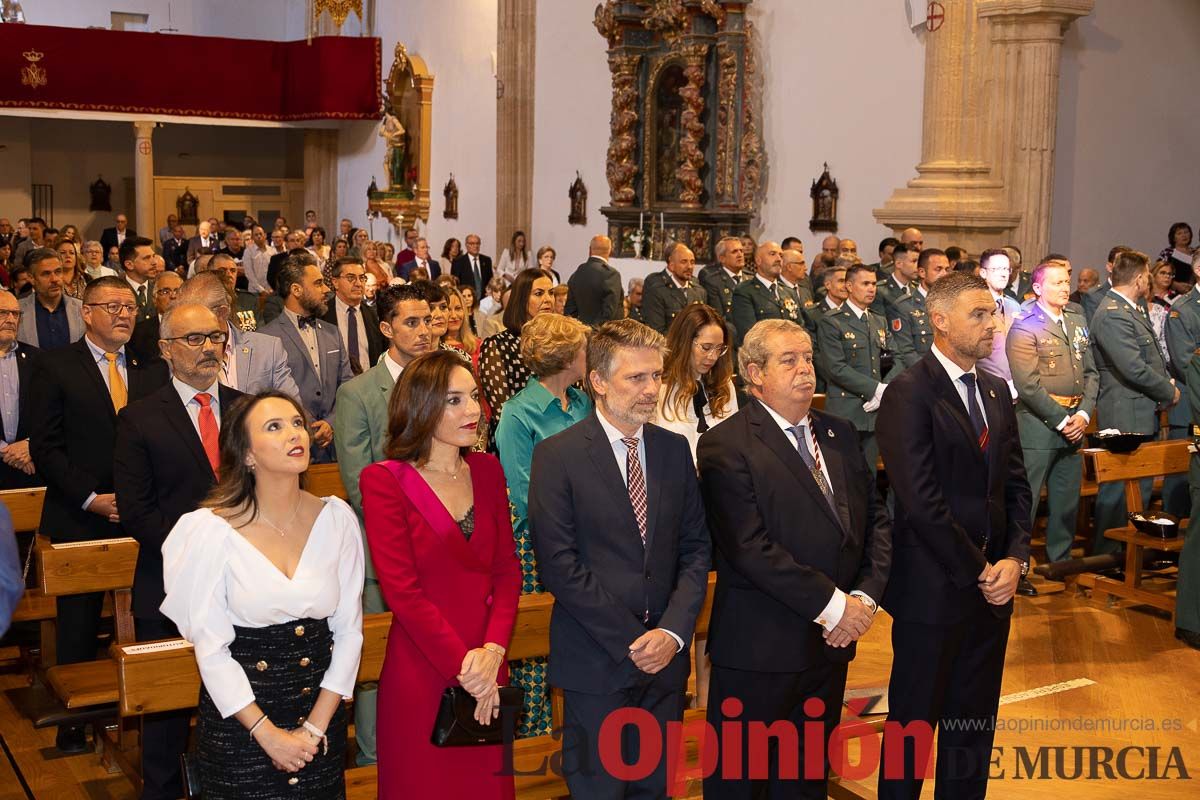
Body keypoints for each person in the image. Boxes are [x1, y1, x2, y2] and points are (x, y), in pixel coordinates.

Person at [698, 319, 890, 798]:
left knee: (805, 784)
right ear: (754, 374)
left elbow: (877, 524)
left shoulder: (840, 434)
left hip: (830, 647)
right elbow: (750, 547)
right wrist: (836, 608)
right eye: (790, 360)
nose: (806, 369)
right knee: (743, 784)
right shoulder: (726, 444)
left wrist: (863, 599)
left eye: (807, 358)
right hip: (760, 650)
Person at [528, 319, 711, 798]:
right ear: (599, 382)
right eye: (637, 378)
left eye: (657, 376)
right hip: (597, 660)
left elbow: (695, 549)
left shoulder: (674, 450)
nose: (652, 389)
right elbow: (559, 565)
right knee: (599, 791)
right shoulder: (557, 456)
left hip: (666, 661)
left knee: (655, 790)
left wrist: (671, 634)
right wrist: (635, 641)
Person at [161, 391, 364, 799]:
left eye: (296, 423)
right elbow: (212, 649)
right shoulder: (209, 531)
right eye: (274, 427)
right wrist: (266, 734)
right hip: (242, 727)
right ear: (248, 455)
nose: (295, 434)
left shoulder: (336, 519)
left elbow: (349, 632)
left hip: (319, 724)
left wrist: (314, 727)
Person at [876, 271, 1032, 800]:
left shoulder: (994, 389)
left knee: (972, 731)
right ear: (939, 321)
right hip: (933, 590)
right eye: (979, 315)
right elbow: (921, 502)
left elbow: (1016, 486)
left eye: (993, 313)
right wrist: (979, 570)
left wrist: (1015, 560)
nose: (993, 325)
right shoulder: (908, 393)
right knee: (911, 730)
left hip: (992, 594)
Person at [359, 351, 522, 798]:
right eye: (455, 400)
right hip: (424, 667)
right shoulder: (384, 480)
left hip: (489, 663)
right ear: (421, 405)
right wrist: (465, 667)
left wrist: (492, 651)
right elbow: (402, 592)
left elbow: (508, 571)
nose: (473, 410)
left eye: (474, 396)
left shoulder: (488, 470)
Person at [29, 276, 169, 753]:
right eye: (112, 306)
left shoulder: (151, 369)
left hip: (140, 513)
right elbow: (46, 447)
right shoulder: (55, 366)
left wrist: (136, 498)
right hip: (79, 512)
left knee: (149, 610)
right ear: (86, 312)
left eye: (129, 306)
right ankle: (75, 722)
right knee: (79, 621)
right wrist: (91, 497)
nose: (123, 314)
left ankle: (148, 705)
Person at [113, 303, 244, 800]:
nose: (209, 346)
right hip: (169, 587)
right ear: (166, 350)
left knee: (236, 708)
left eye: (215, 336)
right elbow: (139, 512)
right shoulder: (140, 419)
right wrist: (202, 555)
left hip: (243, 585)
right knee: (166, 724)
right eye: (194, 339)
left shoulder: (246, 408)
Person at [334, 284, 432, 766]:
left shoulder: (444, 383)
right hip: (383, 549)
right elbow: (359, 483)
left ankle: (424, 747)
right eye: (411, 323)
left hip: (439, 548)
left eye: (428, 320)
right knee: (378, 659)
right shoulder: (357, 392)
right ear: (387, 329)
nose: (423, 331)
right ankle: (373, 759)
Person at [494, 313, 592, 738]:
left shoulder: (584, 402)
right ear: (568, 356)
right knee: (539, 650)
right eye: (584, 349)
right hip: (540, 545)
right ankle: (533, 739)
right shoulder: (518, 413)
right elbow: (522, 492)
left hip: (591, 539)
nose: (589, 355)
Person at [1007, 261, 1097, 569]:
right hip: (1039, 425)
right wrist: (1061, 420)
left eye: (1066, 282)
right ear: (1037, 288)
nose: (1064, 288)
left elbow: (1092, 372)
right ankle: (1018, 566)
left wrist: (1084, 414)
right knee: (1027, 501)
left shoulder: (1076, 317)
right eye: (1057, 283)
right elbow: (1027, 385)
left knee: (1066, 501)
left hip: (1076, 420)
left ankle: (1060, 563)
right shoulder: (1025, 323)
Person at [1090, 250, 1179, 555]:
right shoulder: (1113, 312)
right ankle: (1106, 556)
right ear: (1140, 277)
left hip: (1139, 409)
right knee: (1118, 491)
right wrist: (1169, 391)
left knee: (1136, 489)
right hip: (1125, 411)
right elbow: (1132, 367)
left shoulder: (1131, 308)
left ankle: (1126, 557)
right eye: (1148, 275)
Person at [259, 253, 352, 463]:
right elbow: (268, 395)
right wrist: (304, 424)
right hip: (289, 448)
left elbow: (347, 385)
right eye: (318, 283)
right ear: (296, 289)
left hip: (335, 448)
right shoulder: (265, 337)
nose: (327, 290)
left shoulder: (332, 333)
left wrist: (331, 422)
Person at [818, 264, 897, 476]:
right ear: (850, 286)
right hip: (847, 410)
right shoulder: (832, 321)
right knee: (845, 475)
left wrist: (884, 389)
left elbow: (892, 358)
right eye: (865, 284)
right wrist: (875, 389)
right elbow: (836, 367)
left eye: (873, 284)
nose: (872, 288)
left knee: (869, 476)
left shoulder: (878, 320)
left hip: (875, 412)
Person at [175, 272, 300, 399]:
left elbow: (291, 405)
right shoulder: (180, 351)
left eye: (196, 317)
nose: (188, 325)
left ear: (222, 312)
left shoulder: (268, 349)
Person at [478, 269, 555, 448]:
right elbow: (502, 412)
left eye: (551, 293)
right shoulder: (497, 345)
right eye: (539, 293)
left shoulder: (561, 345)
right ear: (522, 299)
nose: (548, 299)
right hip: (515, 444)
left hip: (561, 443)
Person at [656, 303, 738, 458]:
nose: (713, 357)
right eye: (706, 348)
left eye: (719, 348)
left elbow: (734, 443)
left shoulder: (724, 385)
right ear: (683, 342)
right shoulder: (659, 386)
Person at [0, 291, 40, 489]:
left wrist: (30, 443)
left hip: (30, 465)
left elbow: (51, 411)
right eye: (3, 313)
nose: (10, 319)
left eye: (15, 314)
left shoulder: (37, 359)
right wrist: (6, 451)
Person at [891, 248, 952, 371]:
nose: (944, 274)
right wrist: (935, 373)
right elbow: (906, 352)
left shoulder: (953, 304)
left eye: (947, 269)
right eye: (938, 269)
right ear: (922, 272)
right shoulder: (904, 306)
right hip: (921, 376)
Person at [322, 256, 385, 376]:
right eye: (351, 278)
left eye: (362, 278)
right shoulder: (322, 314)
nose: (358, 284)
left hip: (368, 384)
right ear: (335, 282)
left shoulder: (372, 315)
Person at [17, 248, 84, 348]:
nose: (54, 279)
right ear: (31, 278)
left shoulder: (82, 309)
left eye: (58, 272)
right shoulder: (17, 310)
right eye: (46, 274)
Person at [978, 248, 1022, 398]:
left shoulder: (1014, 306)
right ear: (983, 272)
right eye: (997, 269)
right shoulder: (975, 307)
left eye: (1006, 269)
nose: (1003, 274)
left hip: (1014, 386)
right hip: (985, 386)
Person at [640, 241, 707, 334]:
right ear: (671, 266)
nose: (690, 267)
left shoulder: (699, 291)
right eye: (684, 262)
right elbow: (656, 331)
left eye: (692, 262)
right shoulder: (657, 288)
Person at [731, 241, 785, 346]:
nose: (779, 259)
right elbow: (750, 334)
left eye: (781, 255)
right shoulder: (745, 291)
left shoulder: (788, 292)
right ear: (758, 261)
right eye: (772, 254)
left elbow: (800, 326)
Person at [564, 235, 623, 326]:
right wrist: (593, 331)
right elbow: (609, 312)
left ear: (590, 250)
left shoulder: (577, 273)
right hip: (602, 335)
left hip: (579, 334)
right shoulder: (611, 274)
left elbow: (570, 311)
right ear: (610, 251)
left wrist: (579, 332)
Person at [698, 236, 744, 322]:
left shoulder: (750, 278)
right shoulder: (713, 280)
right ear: (722, 258)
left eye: (741, 251)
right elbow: (718, 318)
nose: (740, 255)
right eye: (734, 252)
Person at [120, 236, 158, 323]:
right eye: (147, 258)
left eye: (153, 256)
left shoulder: (159, 289)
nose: (154, 262)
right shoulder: (117, 292)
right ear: (129, 264)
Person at [873, 242, 916, 316]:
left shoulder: (917, 288)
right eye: (914, 261)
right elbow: (880, 322)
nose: (918, 266)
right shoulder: (880, 290)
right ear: (898, 264)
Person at [451, 233, 493, 298]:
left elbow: (490, 281)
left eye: (477, 243)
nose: (475, 246)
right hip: (466, 300)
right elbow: (455, 285)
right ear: (466, 245)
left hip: (484, 301)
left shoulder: (486, 260)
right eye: (472, 244)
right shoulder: (458, 262)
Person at [443, 285, 478, 356]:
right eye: (448, 309)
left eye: (458, 308)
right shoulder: (433, 349)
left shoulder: (478, 345)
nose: (454, 316)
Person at [1160, 222, 1195, 292]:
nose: (1184, 235)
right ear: (1173, 238)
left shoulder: (1196, 253)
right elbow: (1158, 274)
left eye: (1186, 232)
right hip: (1171, 292)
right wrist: (1175, 284)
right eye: (1179, 233)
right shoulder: (1168, 253)